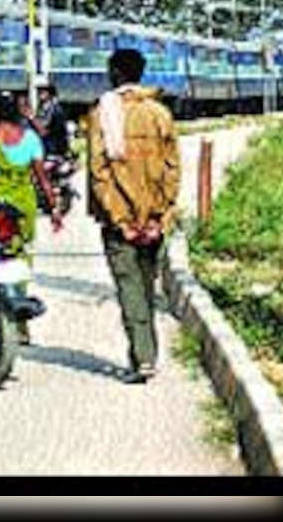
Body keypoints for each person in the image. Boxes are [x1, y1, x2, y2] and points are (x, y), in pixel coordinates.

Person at [88, 48, 181, 385]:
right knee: (144, 286)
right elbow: (173, 170)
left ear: (115, 73)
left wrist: (121, 219)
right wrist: (160, 216)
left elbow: (100, 172)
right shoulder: (160, 113)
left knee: (130, 290)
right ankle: (147, 354)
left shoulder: (104, 113)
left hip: (121, 223)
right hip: (153, 220)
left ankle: (143, 358)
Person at [0, 89, 65, 345]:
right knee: (19, 260)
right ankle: (18, 320)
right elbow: (42, 178)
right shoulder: (29, 138)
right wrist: (54, 208)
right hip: (22, 208)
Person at [28, 83, 71, 159]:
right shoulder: (42, 108)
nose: (40, 93)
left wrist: (31, 118)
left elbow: (44, 130)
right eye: (39, 91)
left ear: (50, 93)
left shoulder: (54, 109)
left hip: (53, 150)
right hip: (46, 149)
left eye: (43, 91)